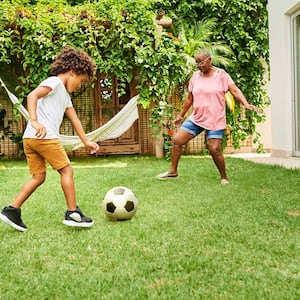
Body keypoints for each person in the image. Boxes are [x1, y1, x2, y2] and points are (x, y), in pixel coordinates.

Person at [0, 46, 100, 232]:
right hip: (43, 137)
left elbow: (74, 118)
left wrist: (86, 141)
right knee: (67, 171)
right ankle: (73, 213)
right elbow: (32, 96)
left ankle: (11, 210)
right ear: (72, 72)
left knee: (38, 176)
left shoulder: (64, 95)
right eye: (80, 80)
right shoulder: (54, 82)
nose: (80, 85)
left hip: (30, 138)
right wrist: (35, 121)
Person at [157, 50, 261, 185]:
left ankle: (224, 177)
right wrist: (181, 115)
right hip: (197, 118)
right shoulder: (195, 77)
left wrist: (245, 104)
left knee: (214, 149)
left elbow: (234, 90)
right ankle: (173, 171)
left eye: (202, 62)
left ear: (209, 60)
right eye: (197, 63)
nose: (200, 65)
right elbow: (189, 99)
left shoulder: (221, 75)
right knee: (177, 140)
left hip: (215, 120)